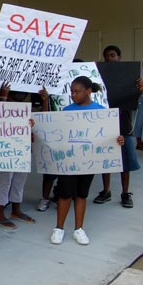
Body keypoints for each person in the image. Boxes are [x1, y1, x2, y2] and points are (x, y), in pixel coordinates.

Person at [49, 77, 125, 246]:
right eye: (72, 92)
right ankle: (59, 228)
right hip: (69, 161)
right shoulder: (66, 110)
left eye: (77, 91)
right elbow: (55, 133)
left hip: (88, 162)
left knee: (82, 194)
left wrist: (118, 139)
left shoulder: (101, 111)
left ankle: (79, 229)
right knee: (65, 195)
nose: (73, 95)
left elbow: (110, 136)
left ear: (89, 91)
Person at [92, 45, 142, 208]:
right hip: (104, 124)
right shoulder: (98, 76)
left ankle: (125, 193)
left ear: (119, 57)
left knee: (125, 161)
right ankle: (106, 191)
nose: (109, 58)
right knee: (106, 160)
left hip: (123, 124)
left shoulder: (128, 76)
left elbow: (134, 97)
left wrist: (139, 89)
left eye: (112, 55)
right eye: (106, 55)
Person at [0, 88, 38, 229]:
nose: (21, 94)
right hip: (5, 147)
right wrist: (3, 98)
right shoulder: (1, 102)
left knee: (20, 178)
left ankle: (16, 210)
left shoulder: (25, 107)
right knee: (5, 179)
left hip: (21, 147)